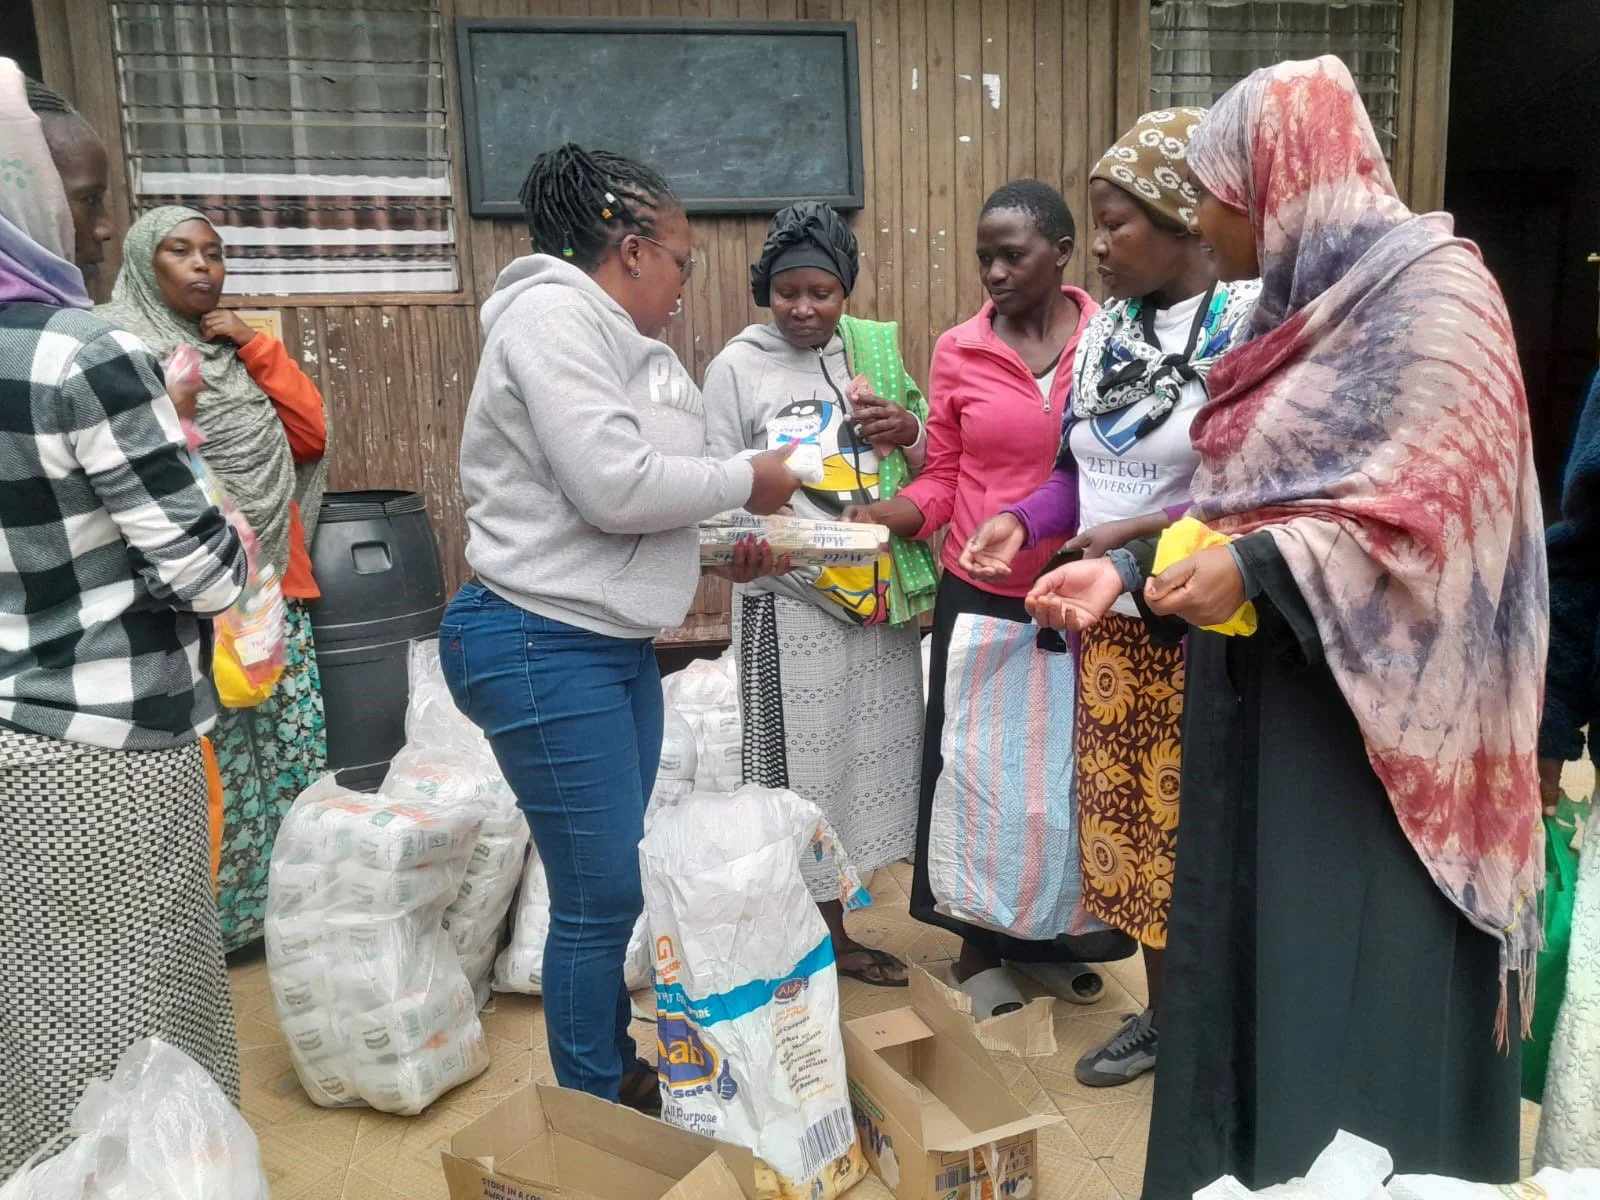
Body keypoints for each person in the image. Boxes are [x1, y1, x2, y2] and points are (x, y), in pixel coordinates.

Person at [1027, 57, 1545, 1195]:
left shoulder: (1438, 302)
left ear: (1277, 181)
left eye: (1215, 189)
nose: (1204, 219)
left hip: (1377, 763)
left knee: (1355, 1018)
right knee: (1257, 1003)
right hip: (1262, 727)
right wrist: (1128, 578)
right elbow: (1235, 508)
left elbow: (1436, 524)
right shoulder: (1289, 313)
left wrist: (1260, 570)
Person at [440, 143, 799, 1108]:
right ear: (634, 250)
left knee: (607, 890)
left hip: (602, 645)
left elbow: (640, 504)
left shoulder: (619, 341)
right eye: (683, 260)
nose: (687, 281)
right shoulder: (554, 317)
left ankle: (612, 1072)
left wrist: (729, 541)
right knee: (599, 900)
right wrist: (747, 481)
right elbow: (612, 487)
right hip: (537, 638)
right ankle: (596, 1102)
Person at [960, 112, 1258, 1086]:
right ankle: (1169, 1022)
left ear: (1183, 220)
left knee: (1222, 844)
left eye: (1114, 224)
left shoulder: (1250, 327)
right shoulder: (1103, 340)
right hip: (1117, 639)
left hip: (1220, 633)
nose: (1097, 247)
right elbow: (1070, 473)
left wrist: (1140, 536)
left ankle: (1234, 1031)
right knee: (1138, 843)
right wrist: (1022, 521)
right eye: (1090, 224)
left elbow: (1251, 486)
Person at [0, 64, 246, 1172]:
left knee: (44, 1049)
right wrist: (190, 467)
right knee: (149, 1053)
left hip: (11, 745)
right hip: (108, 754)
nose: (102, 229)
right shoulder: (86, 353)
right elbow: (205, 573)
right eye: (81, 199)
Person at [846, 180, 1130, 1018]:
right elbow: (941, 473)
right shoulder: (959, 349)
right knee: (978, 774)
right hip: (985, 592)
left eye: (1014, 254)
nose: (996, 273)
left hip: (1087, 590)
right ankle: (978, 943)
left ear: (1063, 253)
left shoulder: (1112, 339)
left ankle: (1048, 936)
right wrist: (888, 521)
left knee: (1066, 772)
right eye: (985, 258)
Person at [703, 201, 936, 987]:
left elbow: (935, 451)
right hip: (792, 604)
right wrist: (776, 555)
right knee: (798, 774)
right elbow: (717, 490)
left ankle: (838, 934)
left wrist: (906, 427)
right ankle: (803, 939)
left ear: (847, 293)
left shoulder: (869, 353)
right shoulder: (737, 368)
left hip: (876, 605)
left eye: (823, 293)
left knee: (862, 770)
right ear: (764, 289)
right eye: (788, 292)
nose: (805, 309)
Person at [98, 206, 330, 952]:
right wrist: (174, 416)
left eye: (214, 254)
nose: (203, 267)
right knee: (218, 764)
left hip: (267, 587)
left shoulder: (232, 354)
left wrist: (258, 346)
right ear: (143, 261)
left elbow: (309, 436)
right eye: (180, 252)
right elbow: (121, 474)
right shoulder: (116, 353)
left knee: (291, 752)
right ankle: (220, 931)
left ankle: (290, 914)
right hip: (184, 597)